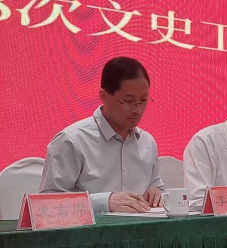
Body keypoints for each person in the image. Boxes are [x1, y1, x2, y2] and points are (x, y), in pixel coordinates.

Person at [39, 57, 164, 213]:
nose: (137, 110)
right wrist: (104, 202)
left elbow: (157, 188)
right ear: (104, 96)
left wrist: (156, 194)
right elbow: (47, 203)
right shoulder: (72, 140)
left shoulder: (147, 142)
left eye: (143, 100)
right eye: (128, 101)